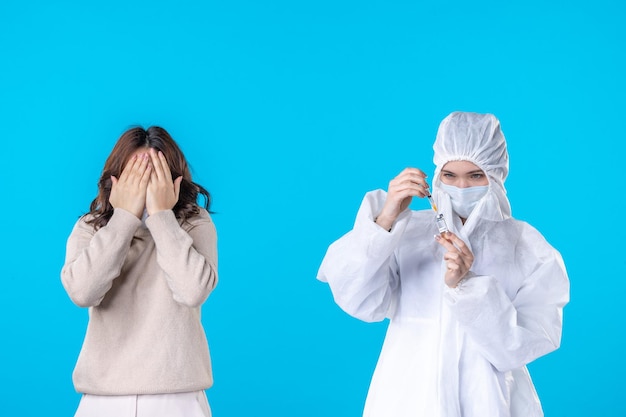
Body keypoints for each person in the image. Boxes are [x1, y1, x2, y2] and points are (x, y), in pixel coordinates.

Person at [317, 111, 570, 417]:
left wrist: (466, 285)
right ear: (437, 174)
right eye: (450, 175)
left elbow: (520, 347)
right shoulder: (408, 232)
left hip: (490, 402)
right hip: (407, 399)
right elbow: (358, 299)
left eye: (475, 175)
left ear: (496, 173)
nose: (462, 187)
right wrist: (386, 218)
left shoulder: (527, 247)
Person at [61, 126, 218, 417]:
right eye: (135, 173)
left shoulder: (195, 223)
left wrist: (161, 216)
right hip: (102, 399)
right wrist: (123, 218)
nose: (144, 182)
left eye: (154, 173)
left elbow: (192, 290)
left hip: (178, 397)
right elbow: (82, 292)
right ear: (116, 179)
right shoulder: (90, 226)